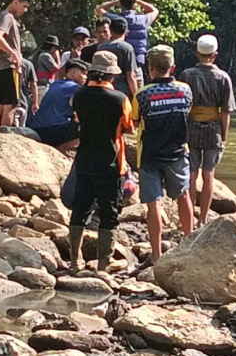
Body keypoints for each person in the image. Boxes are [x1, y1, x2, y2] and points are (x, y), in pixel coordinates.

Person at [69, 51, 133, 273]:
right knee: (109, 212)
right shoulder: (120, 99)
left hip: (84, 160)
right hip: (111, 162)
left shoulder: (79, 96)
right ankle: (104, 263)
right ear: (111, 76)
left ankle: (75, 261)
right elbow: (129, 127)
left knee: (80, 209)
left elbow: (78, 119)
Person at [132, 45, 194, 267]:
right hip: (177, 152)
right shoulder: (185, 90)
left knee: (153, 204)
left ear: (150, 70)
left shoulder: (142, 94)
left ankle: (157, 254)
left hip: (149, 156)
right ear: (172, 67)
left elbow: (135, 122)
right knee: (183, 195)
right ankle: (189, 244)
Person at [178, 34, 236, 227]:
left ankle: (190, 217)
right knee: (209, 174)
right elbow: (226, 112)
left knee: (192, 174)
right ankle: (203, 218)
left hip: (191, 126)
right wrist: (224, 136)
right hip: (214, 129)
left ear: (197, 53)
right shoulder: (223, 77)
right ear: (215, 55)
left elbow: (182, 107)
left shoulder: (186, 75)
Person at [0, 0, 32, 131]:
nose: (25, 10)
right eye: (24, 6)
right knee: (10, 105)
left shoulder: (4, 17)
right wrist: (14, 53)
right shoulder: (7, 17)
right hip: (9, 67)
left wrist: (4, 49)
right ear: (15, 2)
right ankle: (4, 137)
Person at [29, 60, 89, 151]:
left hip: (37, 129)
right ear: (73, 73)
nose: (86, 77)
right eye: (84, 74)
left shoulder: (55, 84)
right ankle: (61, 149)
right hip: (53, 132)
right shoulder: (75, 89)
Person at [95, 0, 159, 71]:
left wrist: (116, 1)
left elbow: (99, 9)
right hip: (137, 60)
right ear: (134, 5)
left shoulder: (115, 20)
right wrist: (138, 1)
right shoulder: (142, 20)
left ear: (121, 5)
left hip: (118, 60)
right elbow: (155, 11)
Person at [98, 17, 140, 99]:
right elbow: (131, 75)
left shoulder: (101, 47)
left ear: (111, 31)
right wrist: (136, 97)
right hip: (123, 93)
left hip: (104, 90)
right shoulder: (127, 48)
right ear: (126, 32)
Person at [32, 35, 63, 101]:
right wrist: (58, 58)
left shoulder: (42, 55)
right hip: (44, 87)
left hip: (44, 86)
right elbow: (57, 69)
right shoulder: (46, 56)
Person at [14, 57, 39, 128]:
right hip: (23, 101)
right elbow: (33, 85)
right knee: (22, 127)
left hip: (9, 103)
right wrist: (35, 102)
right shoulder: (28, 64)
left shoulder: (3, 63)